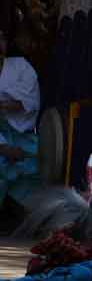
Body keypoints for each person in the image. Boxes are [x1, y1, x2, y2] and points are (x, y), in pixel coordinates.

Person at [0, 28, 41, 225]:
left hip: (23, 136)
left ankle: (29, 221)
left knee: (38, 163)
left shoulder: (20, 66)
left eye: (1, 37)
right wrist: (3, 146)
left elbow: (29, 102)